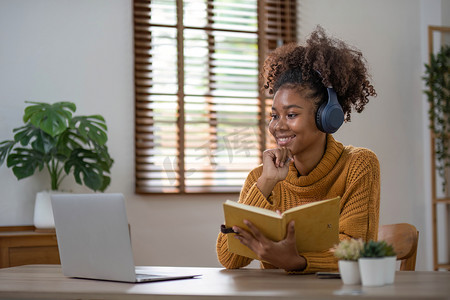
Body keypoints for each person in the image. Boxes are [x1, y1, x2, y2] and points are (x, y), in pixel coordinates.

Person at [216, 26, 380, 274]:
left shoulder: (358, 165)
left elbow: (356, 252)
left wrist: (296, 261)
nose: (278, 126)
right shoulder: (262, 178)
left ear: (326, 117)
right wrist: (265, 184)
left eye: (291, 114)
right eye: (274, 115)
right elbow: (229, 258)